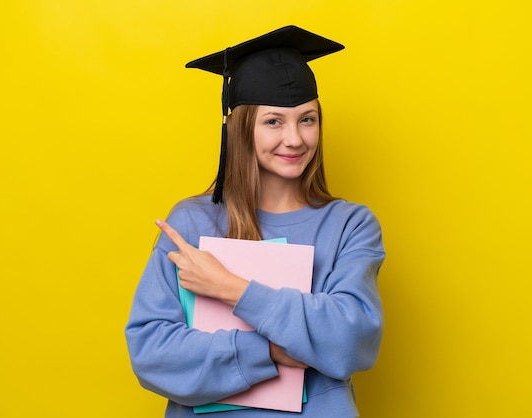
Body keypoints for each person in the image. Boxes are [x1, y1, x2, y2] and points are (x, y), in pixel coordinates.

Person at [125, 25, 385, 417]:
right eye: (274, 121)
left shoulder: (349, 225)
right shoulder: (193, 222)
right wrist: (270, 349)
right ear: (240, 128)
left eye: (308, 119)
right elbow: (152, 353)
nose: (296, 139)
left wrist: (230, 288)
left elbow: (351, 339)